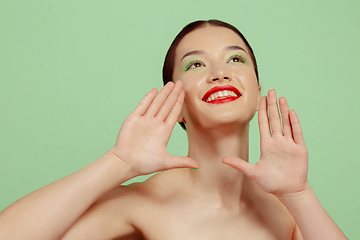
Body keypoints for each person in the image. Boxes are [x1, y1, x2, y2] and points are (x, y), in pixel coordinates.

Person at [0, 20, 347, 240]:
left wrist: (300, 195)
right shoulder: (144, 204)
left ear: (257, 91)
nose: (219, 72)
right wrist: (118, 162)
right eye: (195, 64)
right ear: (176, 103)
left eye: (236, 59)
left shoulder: (287, 211)